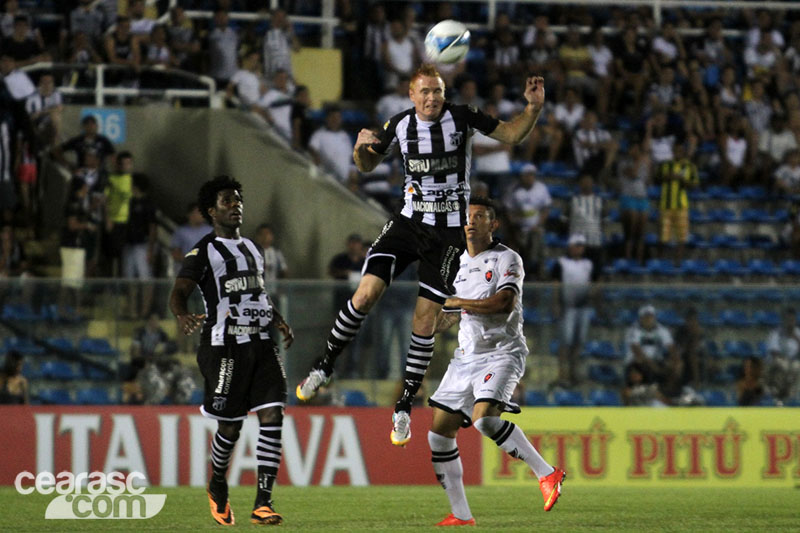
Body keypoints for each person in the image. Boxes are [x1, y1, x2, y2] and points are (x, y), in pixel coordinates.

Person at [295, 64, 546, 447]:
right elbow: (365, 165)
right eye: (425, 92)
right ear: (411, 96)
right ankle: (324, 365)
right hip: (408, 224)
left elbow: (510, 134)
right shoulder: (398, 125)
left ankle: (402, 407)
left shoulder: (462, 117)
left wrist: (531, 109)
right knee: (364, 295)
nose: (432, 98)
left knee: (425, 317)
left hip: (448, 235)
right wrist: (361, 147)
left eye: (438, 91)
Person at [427, 198, 565, 525]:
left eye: (480, 217)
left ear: (494, 224)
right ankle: (461, 515)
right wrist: (433, 322)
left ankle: (547, 473)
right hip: (465, 358)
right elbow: (450, 314)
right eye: (467, 218)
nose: (471, 222)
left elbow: (504, 304)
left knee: (485, 420)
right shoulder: (454, 263)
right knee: (438, 435)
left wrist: (457, 301)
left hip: (502, 352)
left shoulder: (507, 258)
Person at [169, 175, 294, 526]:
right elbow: (178, 291)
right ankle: (217, 482)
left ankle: (263, 502)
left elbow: (258, 293)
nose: (235, 205)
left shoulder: (254, 248)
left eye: (238, 200)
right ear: (211, 211)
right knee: (230, 427)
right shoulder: (204, 251)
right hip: (224, 347)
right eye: (227, 201)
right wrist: (181, 315)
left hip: (260, 343)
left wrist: (278, 319)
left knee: (273, 415)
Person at [552, 233, 598, 386]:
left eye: (581, 246)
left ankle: (574, 373)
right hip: (568, 307)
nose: (579, 249)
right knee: (565, 342)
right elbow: (556, 284)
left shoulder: (588, 264)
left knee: (578, 343)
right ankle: (562, 374)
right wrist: (557, 303)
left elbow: (594, 282)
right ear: (570, 247)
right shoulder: (562, 263)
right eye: (576, 246)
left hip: (583, 307)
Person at [503, 163, 551, 280]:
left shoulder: (541, 188)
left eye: (531, 175)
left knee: (538, 248)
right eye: (527, 175)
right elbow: (508, 210)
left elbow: (546, 208)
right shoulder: (514, 189)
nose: (529, 178)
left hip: (536, 227)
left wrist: (538, 224)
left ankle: (538, 273)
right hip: (519, 229)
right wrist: (515, 224)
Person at [764, 307, 800, 405]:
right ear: (784, 320)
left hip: (793, 362)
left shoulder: (798, 333)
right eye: (788, 319)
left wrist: (796, 339)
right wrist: (786, 360)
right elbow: (774, 353)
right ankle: (778, 397)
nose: (790, 322)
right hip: (776, 361)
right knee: (784, 365)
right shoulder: (776, 333)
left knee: (796, 366)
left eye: (792, 319)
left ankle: (787, 396)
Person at [170, 202, 212, 273]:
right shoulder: (181, 231)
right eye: (198, 212)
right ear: (190, 214)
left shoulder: (210, 231)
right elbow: (175, 253)